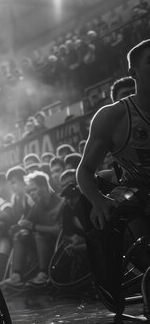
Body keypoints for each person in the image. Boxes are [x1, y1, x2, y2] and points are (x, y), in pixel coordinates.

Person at [77, 39, 150, 309]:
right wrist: (98, 200)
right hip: (136, 188)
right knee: (103, 211)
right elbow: (84, 170)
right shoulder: (112, 116)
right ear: (134, 73)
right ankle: (112, 290)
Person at [0, 171, 63, 288]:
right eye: (30, 192)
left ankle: (43, 274)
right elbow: (26, 224)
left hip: (58, 246)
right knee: (20, 235)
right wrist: (17, 228)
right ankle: (16, 276)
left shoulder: (60, 203)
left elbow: (59, 231)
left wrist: (34, 227)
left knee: (39, 235)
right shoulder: (37, 207)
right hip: (41, 246)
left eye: (34, 190)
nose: (32, 194)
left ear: (44, 187)